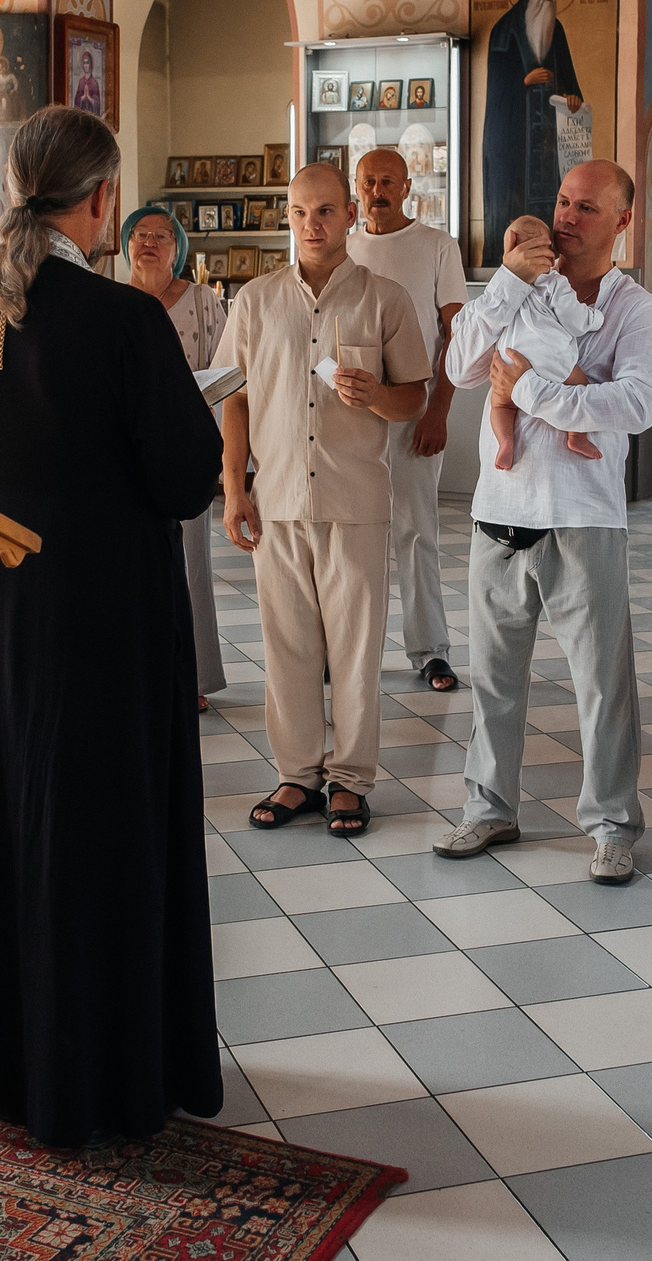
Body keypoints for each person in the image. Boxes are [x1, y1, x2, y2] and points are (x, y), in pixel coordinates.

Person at [0, 105, 224, 1145]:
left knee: (16, 823)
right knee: (108, 833)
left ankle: (14, 1063)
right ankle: (111, 1075)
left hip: (4, 614)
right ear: (98, 199)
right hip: (113, 616)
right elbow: (187, 479)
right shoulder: (126, 319)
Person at [435, 160, 652, 885]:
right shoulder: (517, 284)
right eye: (562, 199)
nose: (567, 216)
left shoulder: (635, 310)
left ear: (622, 221)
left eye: (587, 207)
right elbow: (462, 366)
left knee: (602, 685)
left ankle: (612, 824)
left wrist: (529, 388)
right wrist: (505, 281)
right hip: (499, 511)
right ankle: (489, 804)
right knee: (493, 678)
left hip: (584, 517)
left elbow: (633, 405)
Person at [219, 163, 429, 840]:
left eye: (327, 211)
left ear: (350, 214)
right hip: (276, 499)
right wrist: (233, 487)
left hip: (355, 500)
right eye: (302, 212)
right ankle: (298, 774)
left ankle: (351, 781)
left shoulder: (385, 297)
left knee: (356, 648)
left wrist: (378, 396)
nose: (314, 224)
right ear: (288, 215)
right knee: (286, 648)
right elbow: (236, 398)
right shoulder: (253, 301)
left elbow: (415, 397)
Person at [347, 147, 467, 692]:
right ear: (356, 185)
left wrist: (438, 410)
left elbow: (456, 336)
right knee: (349, 531)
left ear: (407, 187)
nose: (377, 190)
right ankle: (345, 647)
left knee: (417, 528)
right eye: (368, 180)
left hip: (413, 404)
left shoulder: (437, 247)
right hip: (347, 408)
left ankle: (430, 649)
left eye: (388, 181)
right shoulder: (341, 245)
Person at [124, 202, 228, 712]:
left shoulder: (204, 302)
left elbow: (228, 373)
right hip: (123, 457)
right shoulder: (113, 302)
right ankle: (137, 672)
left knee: (191, 563)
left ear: (178, 248)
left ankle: (194, 675)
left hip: (184, 447)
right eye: (139, 234)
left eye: (161, 236)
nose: (148, 242)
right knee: (130, 566)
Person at [482, 0, 586, 261]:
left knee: (549, 198)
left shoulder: (558, 30)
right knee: (512, 200)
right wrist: (523, 81)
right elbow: (495, 87)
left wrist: (572, 96)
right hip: (512, 137)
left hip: (547, 140)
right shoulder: (504, 29)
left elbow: (569, 79)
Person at [485, 214, 604, 469]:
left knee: (501, 405)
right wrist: (594, 318)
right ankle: (577, 435)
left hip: (508, 359)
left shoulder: (506, 284)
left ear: (510, 246)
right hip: (549, 360)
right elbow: (574, 320)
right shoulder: (554, 283)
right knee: (580, 384)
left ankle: (505, 442)